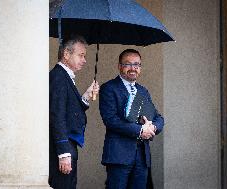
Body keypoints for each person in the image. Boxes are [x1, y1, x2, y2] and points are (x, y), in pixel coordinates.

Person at [99, 49, 164, 189]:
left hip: (142, 157)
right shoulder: (109, 88)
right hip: (119, 156)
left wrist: (152, 128)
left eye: (137, 64)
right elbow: (110, 120)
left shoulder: (143, 91)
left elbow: (158, 117)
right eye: (128, 64)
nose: (133, 68)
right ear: (119, 66)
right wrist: (140, 130)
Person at [49, 35, 99, 189]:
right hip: (61, 147)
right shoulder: (58, 76)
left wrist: (85, 97)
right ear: (66, 54)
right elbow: (57, 116)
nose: (84, 60)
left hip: (68, 145)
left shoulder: (64, 76)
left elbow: (69, 110)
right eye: (81, 55)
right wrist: (64, 152)